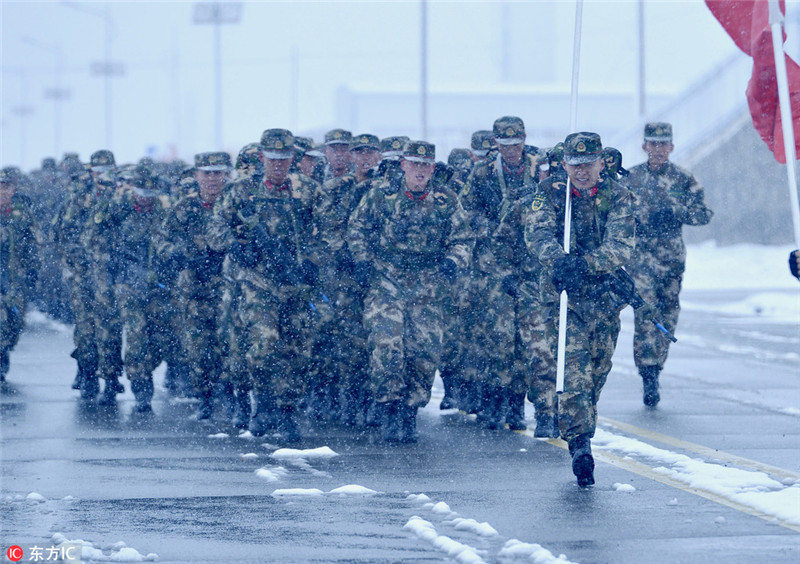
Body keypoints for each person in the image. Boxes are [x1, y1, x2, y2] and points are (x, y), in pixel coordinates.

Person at [525, 132, 635, 486]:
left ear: (601, 162)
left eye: (588, 165)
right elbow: (537, 236)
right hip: (563, 299)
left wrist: (585, 264)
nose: (581, 172)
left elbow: (621, 246)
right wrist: (559, 261)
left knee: (596, 372)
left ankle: (582, 424)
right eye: (574, 165)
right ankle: (580, 445)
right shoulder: (551, 194)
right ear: (565, 164)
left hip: (602, 298)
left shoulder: (618, 196)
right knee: (572, 374)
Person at [347, 140, 473, 443]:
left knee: (424, 352)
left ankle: (409, 411)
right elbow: (356, 228)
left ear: (432, 168)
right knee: (387, 345)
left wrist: (452, 262)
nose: (420, 170)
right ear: (403, 164)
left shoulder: (446, 200)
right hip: (386, 282)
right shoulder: (382, 195)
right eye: (414, 164)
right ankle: (390, 409)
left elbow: (464, 238)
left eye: (426, 165)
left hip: (427, 286)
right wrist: (363, 260)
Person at [207, 129, 319, 441]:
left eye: (284, 158)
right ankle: (265, 403)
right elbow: (215, 227)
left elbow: (329, 230)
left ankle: (288, 410)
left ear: (292, 159)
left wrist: (313, 260)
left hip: (296, 284)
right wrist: (235, 244)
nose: (278, 164)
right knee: (263, 344)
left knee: (298, 349)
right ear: (261, 158)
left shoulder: (308, 190)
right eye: (272, 158)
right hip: (257, 282)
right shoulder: (241, 189)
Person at [460, 116, 542, 429]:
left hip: (529, 264)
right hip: (492, 266)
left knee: (526, 338)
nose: (511, 150)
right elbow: (465, 210)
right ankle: (493, 400)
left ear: (524, 140)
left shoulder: (539, 170)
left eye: (516, 143)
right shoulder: (482, 173)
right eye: (505, 144)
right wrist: (489, 227)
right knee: (496, 337)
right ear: (496, 143)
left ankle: (516, 404)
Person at [627, 123, 713, 407]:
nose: (658, 149)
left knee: (667, 314)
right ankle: (647, 373)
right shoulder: (631, 178)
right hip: (640, 260)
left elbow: (704, 214)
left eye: (663, 144)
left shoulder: (682, 179)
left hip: (671, 259)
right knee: (646, 313)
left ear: (672, 147)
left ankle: (657, 365)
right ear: (644, 146)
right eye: (653, 144)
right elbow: (613, 212)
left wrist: (676, 212)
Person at [306, 134, 378, 426]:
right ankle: (340, 397)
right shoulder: (336, 189)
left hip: (377, 273)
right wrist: (342, 252)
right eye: (357, 153)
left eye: (368, 153)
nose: (362, 159)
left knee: (375, 336)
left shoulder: (387, 189)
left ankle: (370, 399)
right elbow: (322, 226)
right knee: (341, 336)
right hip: (340, 275)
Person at [156, 152, 233, 420]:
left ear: (227, 174)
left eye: (217, 172)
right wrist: (181, 254)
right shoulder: (183, 208)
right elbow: (162, 240)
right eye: (206, 173)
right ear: (196, 175)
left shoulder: (236, 203)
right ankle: (205, 397)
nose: (212, 178)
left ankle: (233, 397)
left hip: (231, 288)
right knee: (199, 347)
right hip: (194, 289)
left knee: (230, 343)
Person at [0, 167, 39, 382]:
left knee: (14, 321)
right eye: (0, 187)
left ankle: (5, 347)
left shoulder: (22, 214)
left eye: (7, 187)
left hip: (15, 275)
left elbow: (35, 242)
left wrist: (33, 270)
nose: (3, 192)